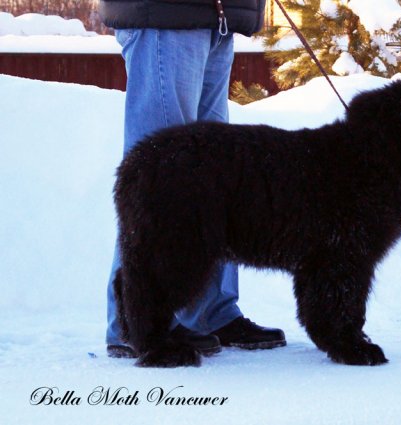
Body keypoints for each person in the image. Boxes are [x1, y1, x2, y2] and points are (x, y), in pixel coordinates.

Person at [98, 0, 285, 358]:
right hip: (165, 15)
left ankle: (210, 312)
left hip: (217, 18)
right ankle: (137, 322)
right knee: (159, 180)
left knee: (217, 177)